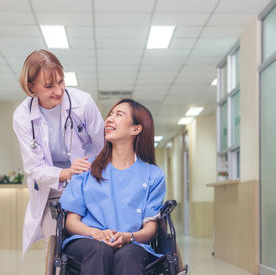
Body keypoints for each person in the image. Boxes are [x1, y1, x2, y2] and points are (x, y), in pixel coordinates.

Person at [12, 49, 104, 256]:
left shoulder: (83, 102)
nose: (58, 90)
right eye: (49, 86)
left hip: (86, 185)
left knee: (91, 246)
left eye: (61, 81)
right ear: (31, 87)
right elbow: (34, 168)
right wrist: (65, 173)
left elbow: (104, 147)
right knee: (54, 249)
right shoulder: (22, 117)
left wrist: (90, 174)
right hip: (51, 191)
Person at [59, 99, 166, 275]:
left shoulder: (153, 175)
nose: (109, 119)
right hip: (87, 240)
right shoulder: (87, 169)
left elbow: (150, 229)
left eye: (119, 114)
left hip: (133, 243)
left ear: (136, 129)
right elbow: (71, 221)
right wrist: (95, 233)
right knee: (100, 250)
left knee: (127, 255)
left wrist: (128, 237)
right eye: (110, 114)